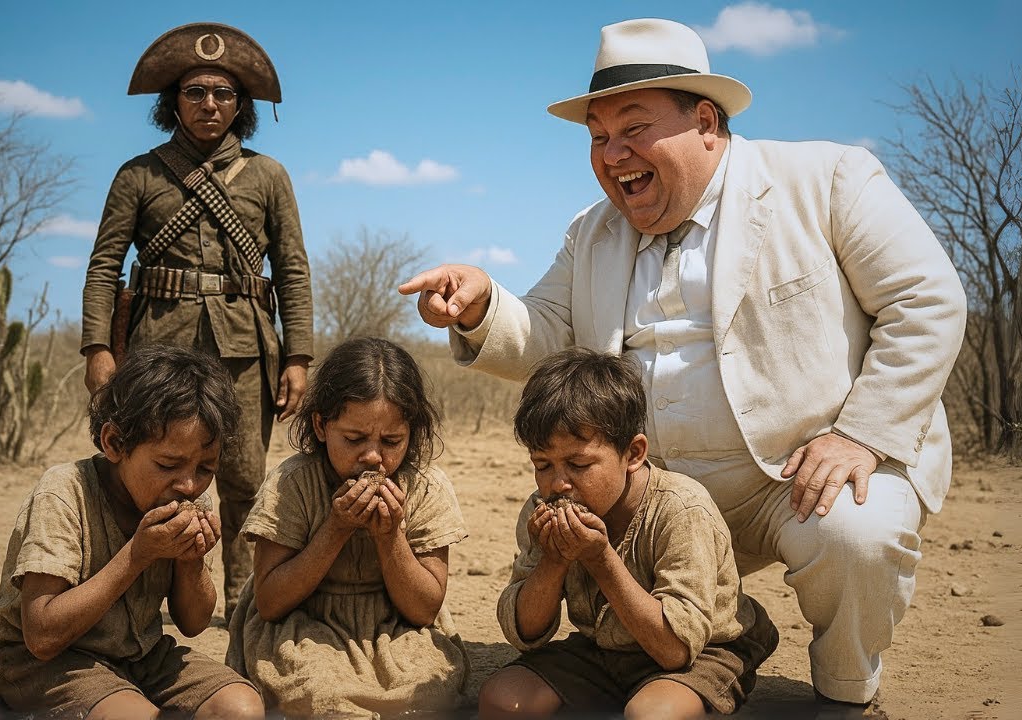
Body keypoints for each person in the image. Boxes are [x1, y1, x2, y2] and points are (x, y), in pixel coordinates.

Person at [399, 17, 966, 714]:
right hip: (653, 498)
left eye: (634, 129)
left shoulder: (825, 181)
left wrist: (862, 434)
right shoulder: (591, 232)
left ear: (705, 122)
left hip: (794, 479)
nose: (614, 154)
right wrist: (483, 304)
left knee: (859, 532)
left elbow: (926, 300)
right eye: (598, 137)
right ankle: (666, 663)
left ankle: (846, 697)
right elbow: (549, 333)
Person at [80, 22, 314, 620]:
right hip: (157, 350)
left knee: (243, 479)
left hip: (245, 350)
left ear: (241, 105)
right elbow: (105, 266)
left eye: (223, 93)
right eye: (195, 92)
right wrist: (98, 350)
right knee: (153, 473)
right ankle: (139, 597)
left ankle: (242, 605)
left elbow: (292, 270)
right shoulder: (138, 174)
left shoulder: (269, 176)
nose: (210, 104)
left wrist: (298, 357)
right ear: (173, 101)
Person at [478, 348, 778, 718]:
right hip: (605, 647)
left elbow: (675, 650)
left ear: (633, 454)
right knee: (503, 701)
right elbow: (525, 632)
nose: (558, 484)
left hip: (700, 651)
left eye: (578, 464)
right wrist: (553, 561)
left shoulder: (681, 509)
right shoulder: (542, 508)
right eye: (542, 465)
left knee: (651, 715)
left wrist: (600, 559)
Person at [0, 344, 264, 719]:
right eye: (168, 464)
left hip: (138, 656)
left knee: (241, 709)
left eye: (206, 469)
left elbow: (193, 624)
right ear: (114, 443)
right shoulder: (64, 493)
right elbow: (42, 637)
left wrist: (190, 562)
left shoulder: (188, 496)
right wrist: (137, 555)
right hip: (40, 662)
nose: (189, 485)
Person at [225, 336, 469, 717]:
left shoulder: (426, 487)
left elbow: (424, 610)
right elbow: (271, 602)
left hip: (398, 627)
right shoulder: (292, 483)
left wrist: (390, 537)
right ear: (321, 426)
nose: (373, 456)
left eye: (391, 441)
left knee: (427, 692)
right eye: (354, 439)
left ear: (411, 433)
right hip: (303, 624)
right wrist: (335, 529)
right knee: (319, 691)